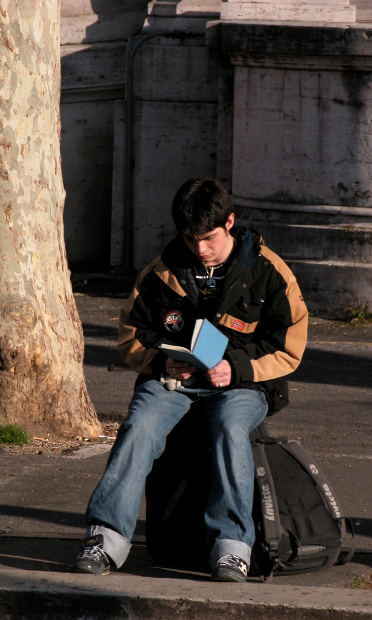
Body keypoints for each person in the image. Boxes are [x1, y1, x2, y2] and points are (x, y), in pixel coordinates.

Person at [74, 178, 308, 582]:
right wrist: (160, 364)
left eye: (209, 238)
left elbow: (290, 345)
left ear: (230, 222)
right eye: (191, 238)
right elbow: (132, 335)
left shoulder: (270, 271)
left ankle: (232, 549)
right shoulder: (160, 271)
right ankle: (105, 539)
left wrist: (236, 367)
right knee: (139, 426)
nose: (200, 248)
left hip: (241, 386)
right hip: (173, 381)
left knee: (229, 427)